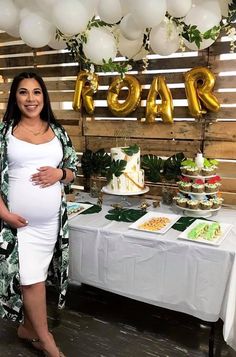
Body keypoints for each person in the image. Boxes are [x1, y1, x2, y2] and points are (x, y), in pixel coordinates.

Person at [0, 72, 78, 357]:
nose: (30, 99)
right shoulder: (4, 131)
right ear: (15, 97)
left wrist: (60, 173)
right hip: (18, 224)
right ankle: (48, 342)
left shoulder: (58, 132)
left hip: (51, 224)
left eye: (36, 92)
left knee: (38, 277)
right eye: (23, 92)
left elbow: (73, 171)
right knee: (30, 279)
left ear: (43, 97)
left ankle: (28, 329)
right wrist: (4, 214)